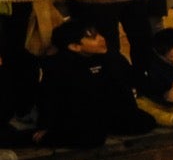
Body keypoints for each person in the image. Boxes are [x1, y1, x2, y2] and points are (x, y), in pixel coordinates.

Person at [32, 19, 156, 148]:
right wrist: (45, 125)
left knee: (144, 122)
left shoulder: (110, 58)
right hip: (78, 116)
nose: (101, 39)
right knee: (92, 137)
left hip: (105, 112)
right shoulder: (58, 65)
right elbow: (49, 98)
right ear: (75, 46)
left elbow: (133, 80)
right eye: (93, 37)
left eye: (99, 34)